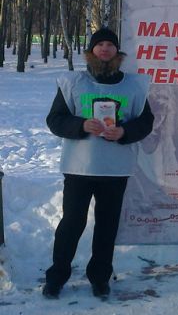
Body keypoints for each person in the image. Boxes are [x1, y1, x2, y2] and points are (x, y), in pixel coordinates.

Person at [43, 28, 154, 300]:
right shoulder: (73, 82)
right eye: (99, 44)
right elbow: (55, 120)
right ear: (91, 50)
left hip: (115, 169)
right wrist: (81, 125)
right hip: (79, 168)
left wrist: (124, 131)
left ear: (117, 51)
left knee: (107, 226)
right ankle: (57, 276)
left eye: (110, 44)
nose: (105, 48)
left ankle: (100, 278)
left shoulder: (133, 86)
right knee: (72, 223)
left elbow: (145, 122)